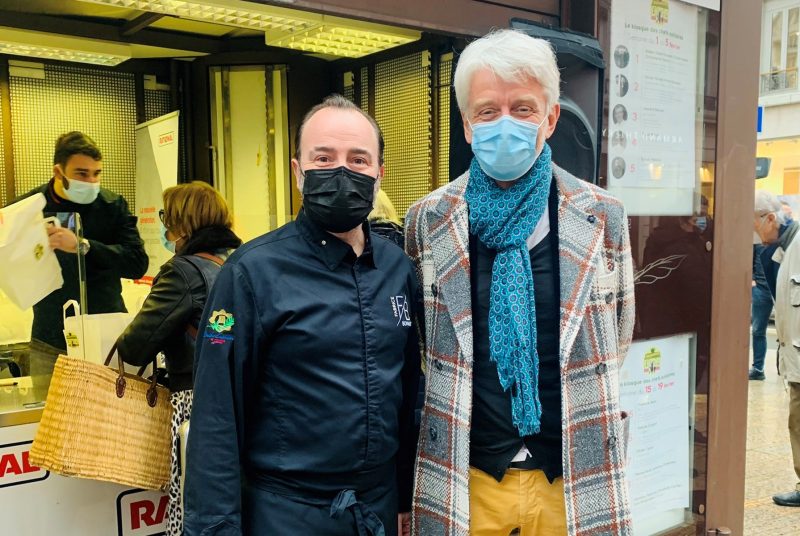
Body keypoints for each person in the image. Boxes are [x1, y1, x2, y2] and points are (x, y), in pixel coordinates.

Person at [405, 30, 635, 535]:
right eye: (487, 111)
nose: (504, 123)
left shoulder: (602, 215)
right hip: (470, 476)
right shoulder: (428, 219)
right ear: (467, 126)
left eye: (523, 108)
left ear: (550, 119)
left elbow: (616, 335)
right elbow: (426, 342)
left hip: (572, 473)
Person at [183, 95, 421, 536]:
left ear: (378, 174)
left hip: (378, 510)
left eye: (358, 159)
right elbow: (217, 413)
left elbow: (408, 390)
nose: (342, 172)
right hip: (286, 513)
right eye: (324, 158)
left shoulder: (397, 269)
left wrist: (406, 494)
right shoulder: (251, 273)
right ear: (298, 172)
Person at [115, 181, 241, 536]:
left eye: (166, 219)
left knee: (191, 508)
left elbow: (136, 346)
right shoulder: (236, 265)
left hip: (193, 403)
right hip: (237, 403)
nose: (164, 228)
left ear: (184, 227)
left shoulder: (182, 272)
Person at [9, 132, 147, 392]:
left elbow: (137, 262)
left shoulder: (112, 205)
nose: (91, 181)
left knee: (108, 421)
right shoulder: (28, 208)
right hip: (50, 337)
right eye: (82, 174)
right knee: (50, 421)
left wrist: (84, 246)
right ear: (58, 171)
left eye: (97, 173)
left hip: (105, 332)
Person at [753, 190, 800, 507]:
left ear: (771, 218)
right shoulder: (780, 251)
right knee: (796, 421)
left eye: (755, 226)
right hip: (794, 358)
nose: (754, 236)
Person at [750, 243, 773, 380]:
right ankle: (758, 369)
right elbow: (748, 259)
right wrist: (752, 280)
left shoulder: (782, 239)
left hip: (780, 288)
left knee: (788, 332)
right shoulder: (757, 241)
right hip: (761, 289)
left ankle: (789, 371)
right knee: (758, 330)